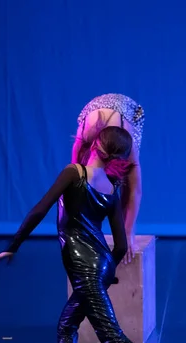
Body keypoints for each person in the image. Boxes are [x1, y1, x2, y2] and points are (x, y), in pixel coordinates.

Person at [0, 126, 179, 343]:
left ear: (96, 142)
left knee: (111, 336)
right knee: (66, 325)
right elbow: (121, 245)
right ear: (118, 156)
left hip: (83, 266)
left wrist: (12, 247)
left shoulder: (73, 173)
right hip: (101, 264)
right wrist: (106, 272)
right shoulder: (112, 188)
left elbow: (40, 209)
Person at [73, 93, 144, 264]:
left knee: (125, 181)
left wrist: (127, 233)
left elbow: (136, 190)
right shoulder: (84, 137)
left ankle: (125, 226)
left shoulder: (127, 141)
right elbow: (74, 186)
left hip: (129, 111)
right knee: (84, 184)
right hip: (93, 110)